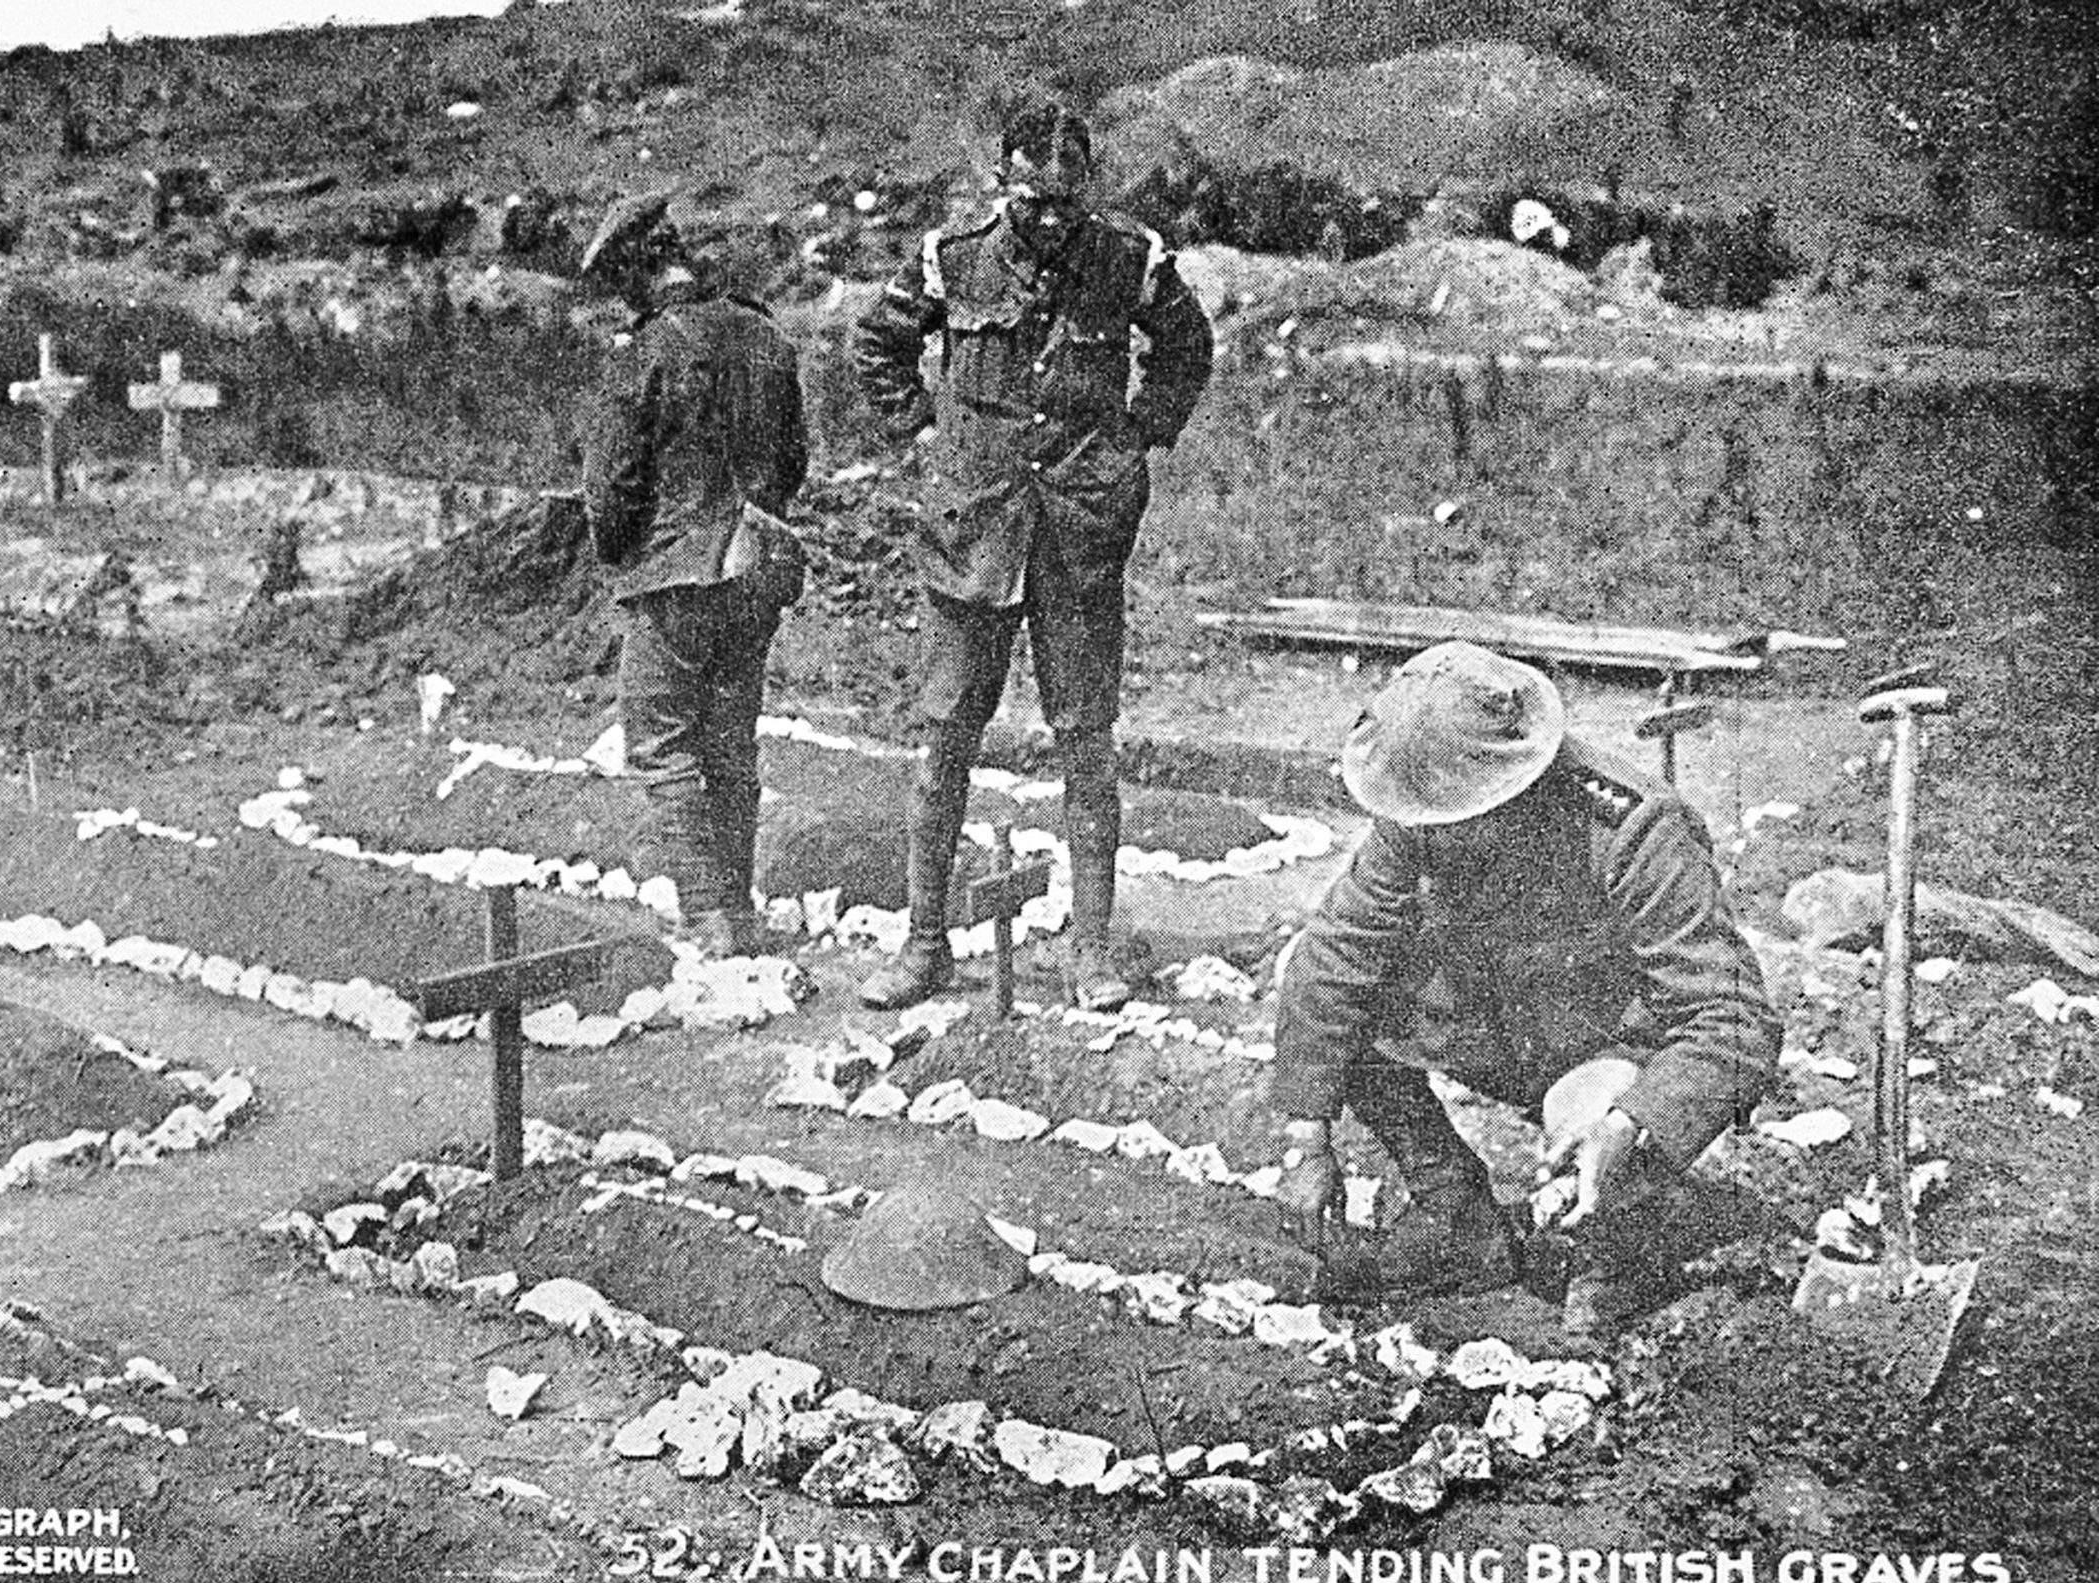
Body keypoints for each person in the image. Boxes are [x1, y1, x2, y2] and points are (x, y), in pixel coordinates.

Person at [1268, 641, 1780, 1306]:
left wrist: (1629, 1124)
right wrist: (1307, 1140)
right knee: (1329, 1000)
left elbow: (1733, 1019)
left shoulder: (1637, 827)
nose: (1437, 838)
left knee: (1596, 1123)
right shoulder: (1421, 813)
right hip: (1493, 1021)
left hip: (1602, 1049)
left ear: (1518, 785)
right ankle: (1456, 1214)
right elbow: (1335, 955)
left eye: (1462, 820)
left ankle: (1614, 1248)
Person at [851, 101, 1213, 1012]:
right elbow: (877, 342)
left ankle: (1092, 950)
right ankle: (924, 943)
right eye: (1030, 198)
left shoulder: (1130, 257)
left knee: (1087, 741)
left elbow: (1187, 346)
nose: (1048, 218)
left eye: (1065, 199)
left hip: (1080, 536)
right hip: (973, 530)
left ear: (1085, 189)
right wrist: (930, 432)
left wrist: (1141, 434)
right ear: (1000, 182)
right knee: (945, 738)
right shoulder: (952, 255)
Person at [578, 193, 810, 956]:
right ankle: (736, 905)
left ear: (638, 274)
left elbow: (612, 487)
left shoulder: (640, 355)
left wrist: (628, 554)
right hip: (755, 571)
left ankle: (709, 915)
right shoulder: (766, 335)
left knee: (661, 746)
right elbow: (794, 460)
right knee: (730, 744)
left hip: (675, 577)